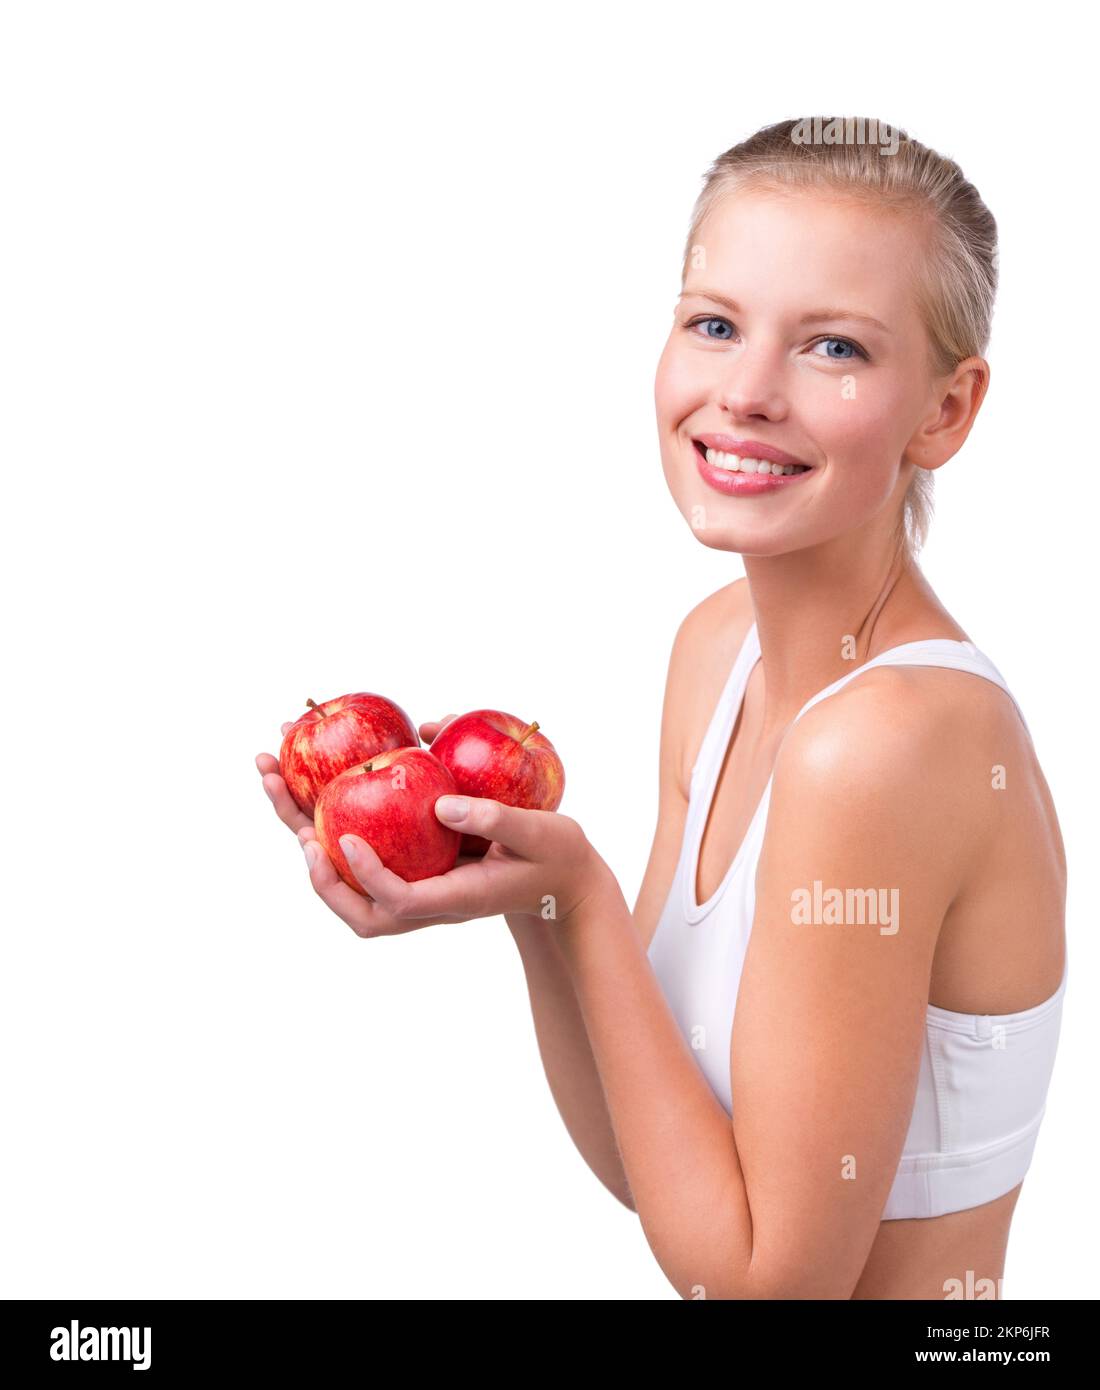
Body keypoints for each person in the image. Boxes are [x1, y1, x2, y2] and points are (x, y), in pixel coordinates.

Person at [255, 117, 1067, 1300]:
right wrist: (529, 896)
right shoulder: (716, 653)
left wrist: (577, 890)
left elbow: (762, 1284)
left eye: (832, 346)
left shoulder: (885, 746)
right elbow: (656, 1168)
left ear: (943, 412)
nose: (743, 393)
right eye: (714, 324)